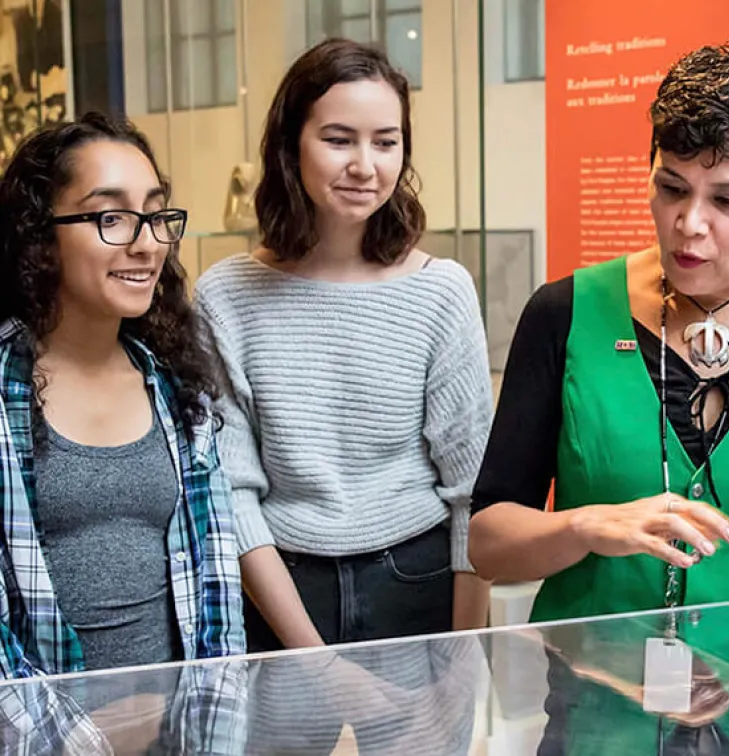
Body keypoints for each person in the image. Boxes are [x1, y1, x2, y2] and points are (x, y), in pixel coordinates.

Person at [469, 41, 729, 754]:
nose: (689, 223)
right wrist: (584, 527)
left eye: (728, 199)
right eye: (671, 188)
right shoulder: (566, 316)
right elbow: (488, 543)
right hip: (599, 715)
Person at [194, 38, 491, 753]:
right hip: (280, 592)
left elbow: (472, 493)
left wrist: (463, 654)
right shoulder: (224, 294)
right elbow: (232, 495)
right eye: (338, 139)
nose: (366, 165)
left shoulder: (441, 291)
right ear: (289, 145)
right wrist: (318, 663)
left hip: (418, 583)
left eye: (386, 141)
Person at [0, 113, 245, 752]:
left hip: (181, 738)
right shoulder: (3, 393)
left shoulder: (174, 387)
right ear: (40, 237)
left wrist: (206, 728)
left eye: (156, 214)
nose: (146, 244)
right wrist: (81, 741)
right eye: (111, 217)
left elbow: (217, 583)